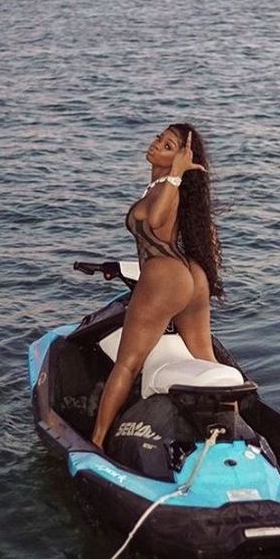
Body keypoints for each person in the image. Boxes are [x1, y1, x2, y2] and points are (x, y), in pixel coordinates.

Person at [91, 122, 224, 450]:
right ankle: (236, 425)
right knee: (206, 357)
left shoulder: (169, 187)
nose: (155, 145)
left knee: (127, 363)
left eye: (166, 146)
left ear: (180, 159)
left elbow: (154, 221)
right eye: (158, 139)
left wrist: (176, 173)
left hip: (165, 278)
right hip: (189, 276)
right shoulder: (161, 186)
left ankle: (94, 443)